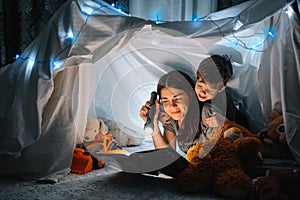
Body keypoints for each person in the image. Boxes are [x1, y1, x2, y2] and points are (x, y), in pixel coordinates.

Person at [140, 70, 202, 155]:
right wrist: (153, 123)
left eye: (177, 98)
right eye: (165, 101)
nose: (172, 106)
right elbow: (166, 154)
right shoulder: (171, 118)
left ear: (190, 94)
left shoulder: (207, 115)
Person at [195, 54, 249, 134]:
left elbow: (233, 126)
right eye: (200, 86)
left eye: (211, 90)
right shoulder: (194, 93)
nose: (203, 92)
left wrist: (224, 121)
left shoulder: (225, 101)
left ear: (221, 89)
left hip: (239, 129)